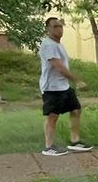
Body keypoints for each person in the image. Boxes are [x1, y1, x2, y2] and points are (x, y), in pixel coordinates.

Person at [38, 17, 92, 156]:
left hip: (63, 86)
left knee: (75, 110)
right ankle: (49, 147)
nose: (59, 29)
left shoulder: (58, 44)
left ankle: (75, 141)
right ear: (48, 29)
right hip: (52, 88)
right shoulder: (48, 45)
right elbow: (59, 67)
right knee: (52, 116)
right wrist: (77, 81)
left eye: (60, 26)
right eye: (55, 26)